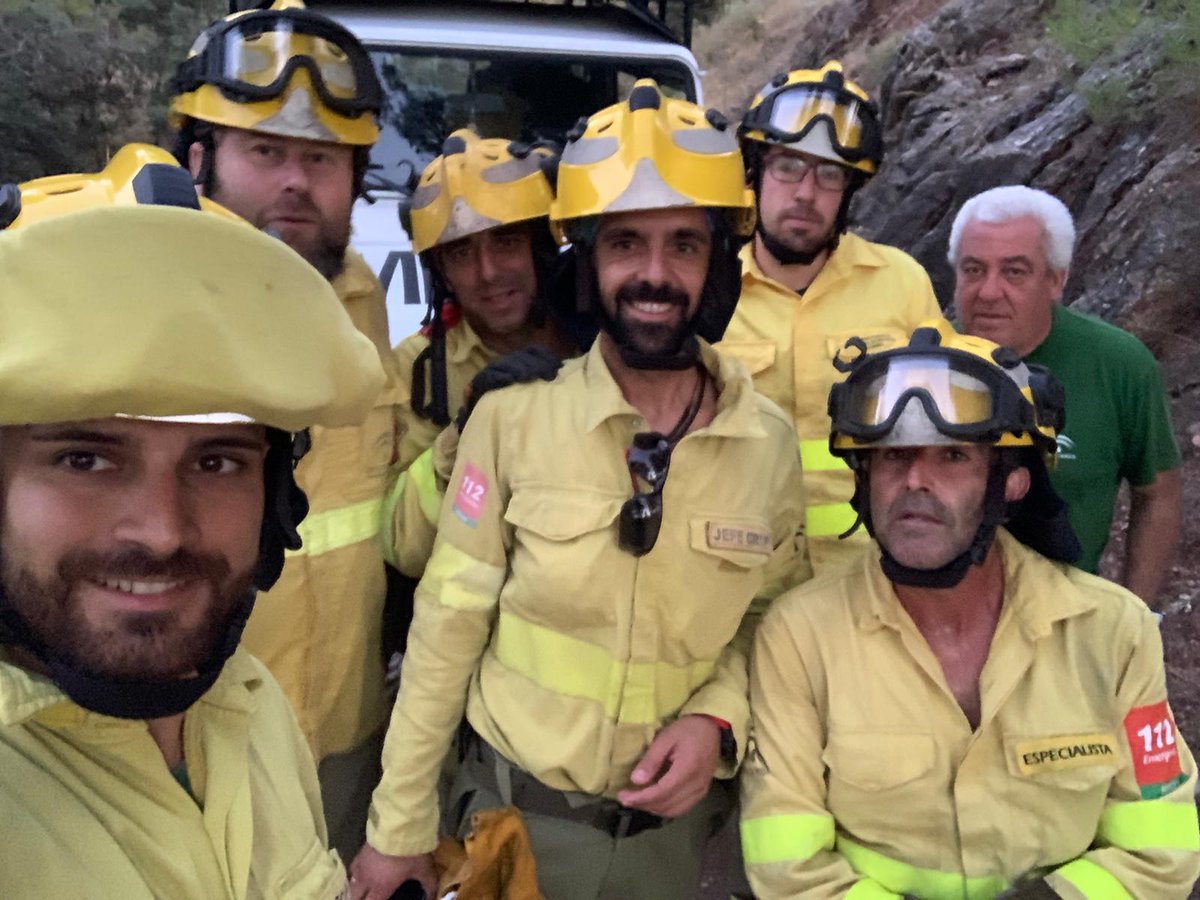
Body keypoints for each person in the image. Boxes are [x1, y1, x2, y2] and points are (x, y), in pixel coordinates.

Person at [349, 80, 811, 900]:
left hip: (667, 855)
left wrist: (718, 720)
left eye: (682, 245)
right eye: (626, 244)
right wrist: (396, 832)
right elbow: (442, 636)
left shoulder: (767, 448)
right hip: (507, 831)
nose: (654, 275)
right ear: (587, 265)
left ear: (718, 270)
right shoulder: (512, 421)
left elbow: (771, 626)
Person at [0, 145, 385, 897]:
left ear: (275, 500)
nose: (162, 531)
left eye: (216, 462)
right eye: (87, 459)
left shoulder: (250, 702)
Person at [740, 320, 1200, 898]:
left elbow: (1161, 846)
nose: (915, 482)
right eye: (893, 457)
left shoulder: (1113, 633)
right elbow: (788, 866)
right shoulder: (798, 638)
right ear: (864, 475)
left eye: (952, 456)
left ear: (1011, 483)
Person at [169, 0, 402, 857]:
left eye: (321, 158)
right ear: (201, 159)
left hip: (340, 739)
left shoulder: (362, 304)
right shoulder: (140, 302)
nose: (296, 182)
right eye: (266, 152)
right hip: (183, 740)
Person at [720, 59, 944, 574]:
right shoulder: (708, 291)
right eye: (788, 165)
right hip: (737, 588)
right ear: (755, 171)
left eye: (828, 174)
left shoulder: (901, 283)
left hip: (869, 584)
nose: (805, 192)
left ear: (848, 192)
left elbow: (942, 436)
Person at [951, 184, 1182, 606]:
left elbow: (1159, 491)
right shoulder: (923, 365)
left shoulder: (1117, 364)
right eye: (973, 270)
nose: (988, 292)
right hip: (934, 620)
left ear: (1057, 279)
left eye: (1014, 272)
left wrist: (1135, 614)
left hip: (1067, 625)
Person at [386, 128, 585, 581]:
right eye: (461, 252)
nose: (488, 272)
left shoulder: (601, 344)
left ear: (542, 244)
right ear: (441, 272)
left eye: (507, 241)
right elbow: (403, 547)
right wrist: (466, 432)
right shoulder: (418, 371)